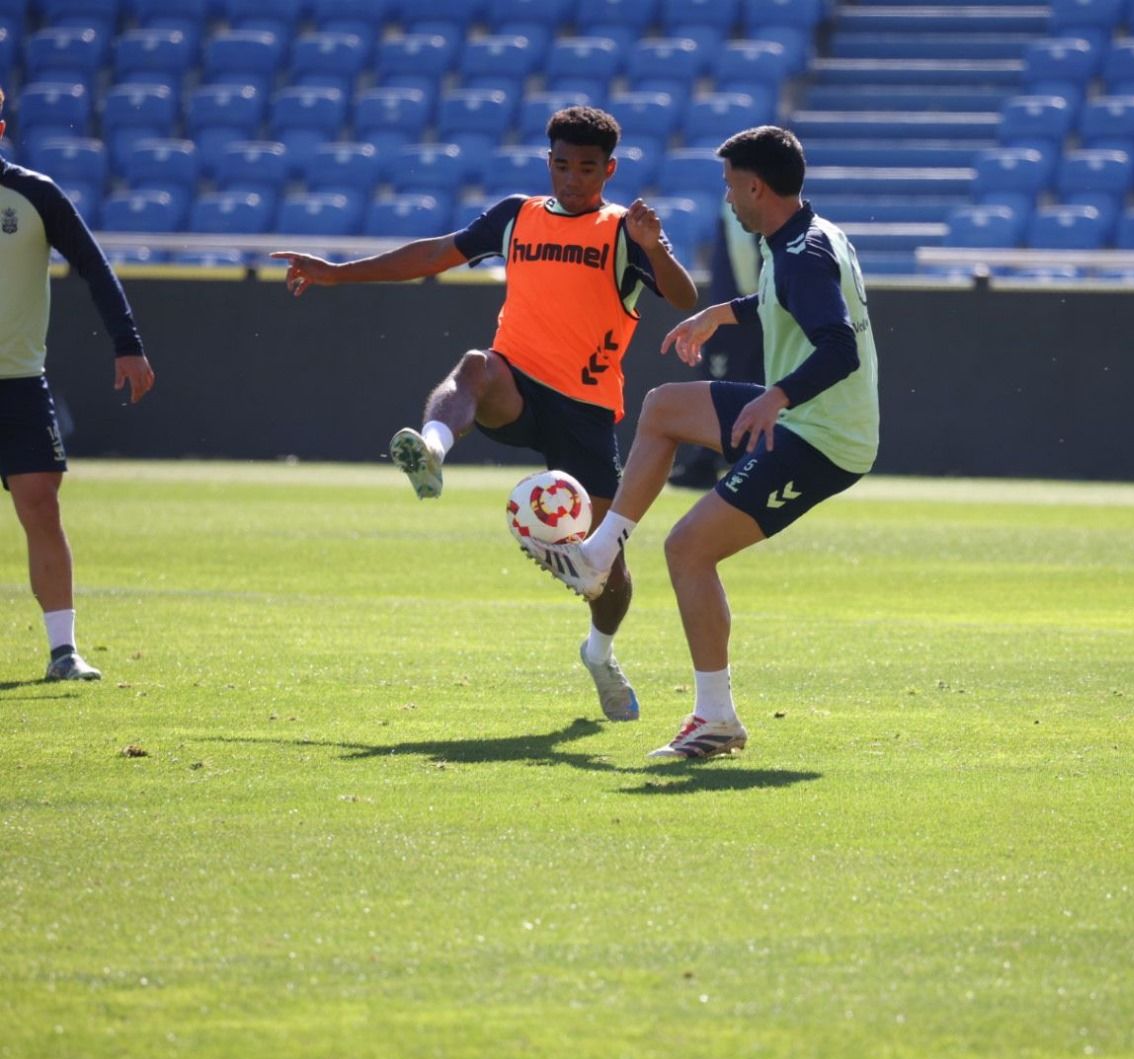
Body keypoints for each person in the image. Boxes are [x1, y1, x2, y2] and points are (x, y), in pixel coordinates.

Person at [271, 106, 698, 721]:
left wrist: (656, 248)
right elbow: (432, 255)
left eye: (586, 168)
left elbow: (683, 297)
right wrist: (339, 273)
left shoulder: (624, 231)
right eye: (561, 165)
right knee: (476, 365)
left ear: (608, 169)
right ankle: (433, 449)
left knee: (605, 571)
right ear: (546, 162)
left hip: (585, 409)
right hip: (515, 385)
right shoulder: (516, 216)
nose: (572, 179)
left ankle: (599, 653)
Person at [527, 125, 880, 758]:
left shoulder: (801, 252)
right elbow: (790, 301)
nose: (727, 200)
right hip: (804, 417)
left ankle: (715, 719)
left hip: (822, 438)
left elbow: (839, 347)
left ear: (755, 186)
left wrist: (777, 396)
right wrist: (724, 311)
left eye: (729, 187)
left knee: (688, 550)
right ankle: (599, 552)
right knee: (663, 408)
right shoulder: (803, 235)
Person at [0, 85, 156, 682]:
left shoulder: (35, 195)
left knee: (41, 508)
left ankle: (63, 651)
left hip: (17, 384)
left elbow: (93, 265)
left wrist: (128, 346)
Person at [668, 199, 764, 489]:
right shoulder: (760, 201)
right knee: (753, 383)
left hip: (735, 315)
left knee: (719, 385)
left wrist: (745, 303)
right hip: (751, 313)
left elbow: (742, 251)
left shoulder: (740, 203)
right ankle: (742, 460)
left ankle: (708, 460)